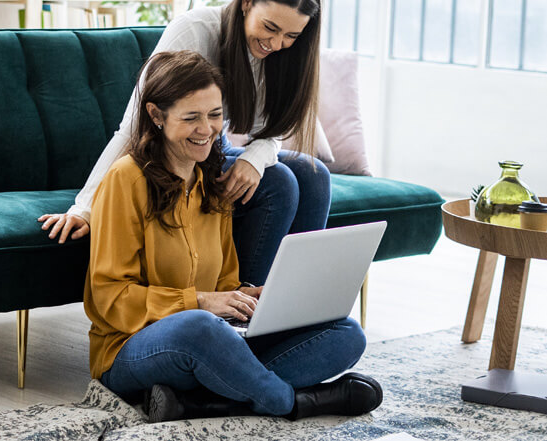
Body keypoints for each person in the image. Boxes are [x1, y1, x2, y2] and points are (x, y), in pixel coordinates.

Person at [84, 50, 381, 422]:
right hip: (130, 350)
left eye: (215, 115)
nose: (207, 129)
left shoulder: (212, 179)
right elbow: (108, 297)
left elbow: (225, 280)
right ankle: (295, 404)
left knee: (345, 332)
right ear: (156, 116)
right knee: (199, 326)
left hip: (210, 340)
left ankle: (210, 402)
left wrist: (247, 297)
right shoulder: (126, 180)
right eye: (191, 117)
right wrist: (200, 302)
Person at [40, 0, 331, 286]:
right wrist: (86, 206)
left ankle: (295, 305)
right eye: (270, 27)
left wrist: (255, 158)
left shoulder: (283, 56)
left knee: (314, 176)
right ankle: (242, 313)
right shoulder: (194, 31)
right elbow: (134, 127)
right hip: (167, 155)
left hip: (209, 151)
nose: (277, 44)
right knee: (278, 183)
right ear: (247, 0)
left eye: (291, 36)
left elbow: (272, 131)